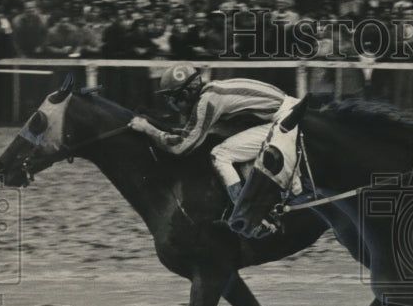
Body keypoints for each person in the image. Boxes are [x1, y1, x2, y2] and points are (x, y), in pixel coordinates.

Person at [127, 62, 301, 204]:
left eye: (174, 98)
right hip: (289, 112)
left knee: (220, 155)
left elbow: (181, 146)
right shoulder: (211, 90)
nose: (173, 104)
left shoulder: (207, 101)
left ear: (186, 93)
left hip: (284, 120)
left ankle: (242, 210)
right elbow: (205, 131)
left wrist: (148, 129)